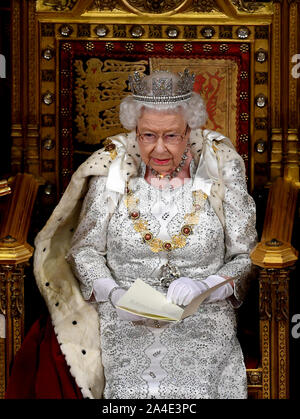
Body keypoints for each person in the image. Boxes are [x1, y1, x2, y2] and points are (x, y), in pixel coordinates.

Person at [6, 69, 257, 399]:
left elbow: (244, 255)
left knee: (192, 389)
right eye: (148, 135)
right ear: (134, 132)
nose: (160, 149)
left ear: (190, 130)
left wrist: (206, 286)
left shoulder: (221, 167)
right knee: (135, 389)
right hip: (126, 316)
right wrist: (112, 293)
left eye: (172, 136)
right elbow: (85, 249)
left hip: (202, 317)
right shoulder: (113, 169)